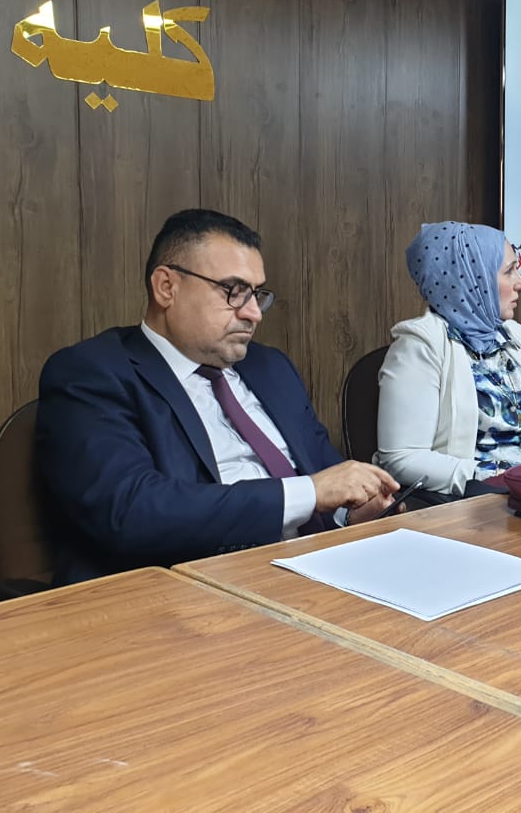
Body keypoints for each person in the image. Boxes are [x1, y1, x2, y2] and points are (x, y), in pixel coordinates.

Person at [37, 209, 398, 585]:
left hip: (316, 572)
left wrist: (352, 511)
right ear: (166, 287)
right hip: (187, 590)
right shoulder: (92, 373)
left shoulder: (271, 368)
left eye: (256, 294)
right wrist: (309, 493)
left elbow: (326, 475)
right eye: (234, 291)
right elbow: (131, 512)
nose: (254, 313)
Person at [376, 221, 521, 497]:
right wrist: (495, 476)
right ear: (472, 279)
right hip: (479, 501)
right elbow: (402, 458)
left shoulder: (515, 334)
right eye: (509, 271)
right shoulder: (419, 345)